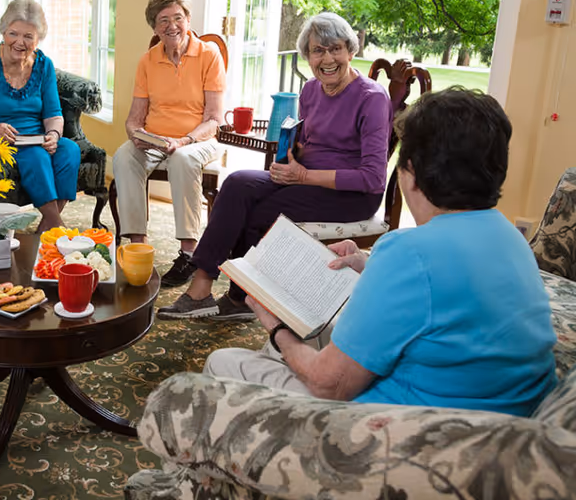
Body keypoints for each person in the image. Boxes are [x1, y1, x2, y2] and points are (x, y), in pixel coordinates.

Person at [204, 87, 558, 416]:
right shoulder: (509, 236)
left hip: (402, 430)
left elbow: (331, 385)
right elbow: (443, 288)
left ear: (411, 174)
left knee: (225, 362)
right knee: (319, 332)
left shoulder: (408, 252)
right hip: (502, 421)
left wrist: (276, 327)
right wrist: (367, 263)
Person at [158, 12, 392, 320]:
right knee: (237, 183)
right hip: (304, 179)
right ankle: (202, 288)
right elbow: (309, 141)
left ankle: (241, 298)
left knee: (258, 212)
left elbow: (373, 178)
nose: (328, 58)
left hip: (351, 195)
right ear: (307, 56)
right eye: (317, 51)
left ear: (351, 50)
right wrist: (292, 155)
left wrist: (304, 174)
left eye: (335, 48)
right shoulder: (310, 90)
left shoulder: (371, 98)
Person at [113, 0, 225, 288]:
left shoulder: (208, 55)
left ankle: (189, 253)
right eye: (163, 20)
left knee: (182, 159)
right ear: (154, 26)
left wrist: (185, 141)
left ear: (188, 20)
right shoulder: (147, 61)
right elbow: (135, 117)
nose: (171, 25)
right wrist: (135, 135)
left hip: (198, 140)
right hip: (156, 140)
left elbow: (214, 119)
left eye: (178, 17)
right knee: (123, 155)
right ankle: (137, 244)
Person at [0, 0, 80, 232]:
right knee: (36, 155)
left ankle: (46, 227)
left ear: (38, 39)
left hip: (32, 137)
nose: (19, 42)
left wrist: (53, 133)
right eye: (13, 33)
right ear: (3, 31)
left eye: (28, 36)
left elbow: (54, 113)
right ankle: (58, 228)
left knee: (69, 150)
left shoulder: (44, 66)